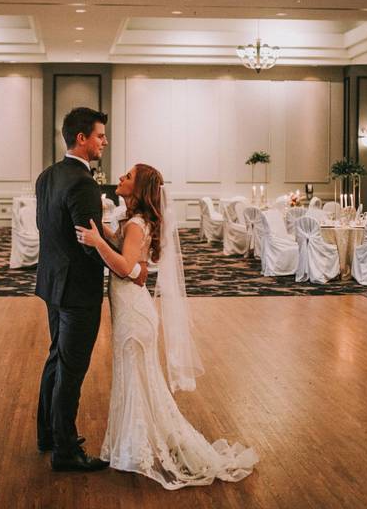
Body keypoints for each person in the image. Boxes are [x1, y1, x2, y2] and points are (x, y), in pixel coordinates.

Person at [75, 163, 258, 489]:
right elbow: (132, 260)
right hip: (133, 309)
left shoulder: (135, 225)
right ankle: (129, 447)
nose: (121, 178)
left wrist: (96, 241)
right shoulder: (134, 222)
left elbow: (124, 266)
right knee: (134, 381)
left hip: (134, 313)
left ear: (140, 188)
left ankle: (136, 449)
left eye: (128, 177)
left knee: (136, 381)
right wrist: (104, 226)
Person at [34, 107, 147, 472]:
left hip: (52, 282)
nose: (105, 142)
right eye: (100, 136)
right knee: (72, 369)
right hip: (77, 291)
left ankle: (48, 434)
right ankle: (65, 451)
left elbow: (48, 229)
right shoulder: (83, 183)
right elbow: (88, 242)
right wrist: (130, 262)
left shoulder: (47, 176)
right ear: (81, 139)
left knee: (56, 358)